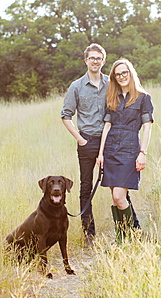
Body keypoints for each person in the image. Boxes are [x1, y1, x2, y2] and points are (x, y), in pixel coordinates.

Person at [60, 44, 140, 247]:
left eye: (99, 58)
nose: (95, 61)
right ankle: (89, 233)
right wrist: (80, 139)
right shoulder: (76, 86)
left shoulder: (111, 83)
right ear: (85, 60)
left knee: (119, 187)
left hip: (112, 141)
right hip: (87, 141)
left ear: (103, 61)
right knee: (86, 188)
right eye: (91, 58)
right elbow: (65, 115)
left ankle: (132, 229)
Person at [97, 58, 154, 244]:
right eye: (117, 74)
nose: (121, 76)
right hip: (111, 149)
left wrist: (142, 153)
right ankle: (123, 239)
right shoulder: (111, 98)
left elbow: (147, 127)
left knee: (119, 196)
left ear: (130, 73)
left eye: (124, 73)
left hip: (130, 150)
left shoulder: (143, 97)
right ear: (114, 77)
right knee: (115, 199)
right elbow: (106, 126)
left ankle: (129, 238)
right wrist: (100, 154)